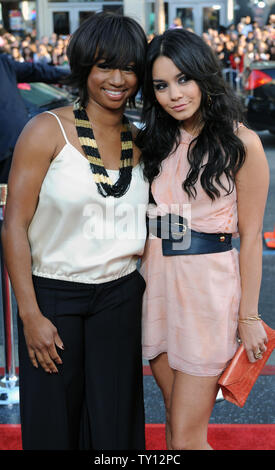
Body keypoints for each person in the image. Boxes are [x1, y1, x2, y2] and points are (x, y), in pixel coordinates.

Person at [1, 12, 148, 450]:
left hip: (120, 298)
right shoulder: (46, 130)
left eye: (128, 68)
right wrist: (30, 316)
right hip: (54, 298)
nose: (117, 79)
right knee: (53, 426)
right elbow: (14, 226)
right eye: (105, 66)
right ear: (84, 69)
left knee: (115, 427)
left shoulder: (141, 138)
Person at [135, 28, 269, 450]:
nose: (174, 94)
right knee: (175, 426)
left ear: (204, 76)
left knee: (187, 439)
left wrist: (249, 317)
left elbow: (250, 240)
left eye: (183, 79)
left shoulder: (241, 143)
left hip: (207, 295)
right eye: (161, 85)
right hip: (155, 287)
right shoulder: (153, 141)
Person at [0, 51, 69, 183]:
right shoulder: (3, 62)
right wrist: (72, 75)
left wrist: (72, 75)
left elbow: (36, 71)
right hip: (16, 138)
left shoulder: (3, 63)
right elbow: (36, 71)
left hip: (13, 141)